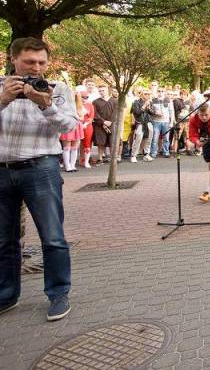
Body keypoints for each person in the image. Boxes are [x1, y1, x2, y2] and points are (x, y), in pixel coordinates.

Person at [0, 37, 79, 321]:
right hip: (2, 168)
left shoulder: (58, 89)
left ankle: (58, 294)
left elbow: (69, 126)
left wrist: (46, 105)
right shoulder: (2, 86)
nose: (36, 68)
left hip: (41, 167)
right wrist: (4, 100)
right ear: (13, 59)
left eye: (41, 62)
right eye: (29, 62)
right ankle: (6, 295)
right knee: (3, 239)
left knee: (53, 236)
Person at [60, 91, 86, 172]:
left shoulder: (80, 106)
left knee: (75, 148)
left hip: (77, 127)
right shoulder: (63, 105)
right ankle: (67, 166)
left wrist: (75, 116)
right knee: (66, 148)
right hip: (67, 126)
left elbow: (82, 118)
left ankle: (72, 165)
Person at [91, 84, 117, 164]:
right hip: (100, 125)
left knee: (112, 141)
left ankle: (113, 159)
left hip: (112, 124)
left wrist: (110, 122)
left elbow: (116, 113)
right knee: (100, 142)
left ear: (107, 90)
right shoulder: (95, 102)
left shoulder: (115, 101)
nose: (102, 92)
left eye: (103, 90)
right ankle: (100, 158)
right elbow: (95, 114)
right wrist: (103, 122)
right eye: (100, 91)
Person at [130, 89, 154, 162]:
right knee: (138, 139)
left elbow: (153, 113)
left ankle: (146, 154)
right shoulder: (136, 102)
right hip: (140, 123)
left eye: (148, 94)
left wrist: (149, 108)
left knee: (149, 139)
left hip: (148, 122)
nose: (147, 95)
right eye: (145, 94)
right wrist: (144, 106)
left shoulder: (150, 102)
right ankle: (133, 155)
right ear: (141, 95)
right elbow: (137, 112)